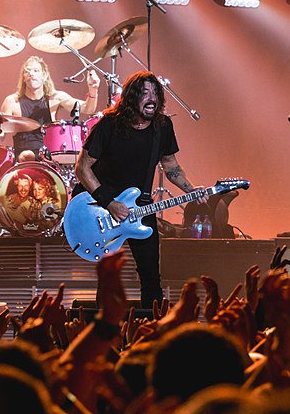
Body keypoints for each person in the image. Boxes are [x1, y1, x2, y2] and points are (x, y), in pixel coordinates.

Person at [74, 71, 207, 308]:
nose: (151, 98)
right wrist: (109, 203)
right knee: (108, 278)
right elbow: (83, 168)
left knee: (150, 276)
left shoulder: (162, 127)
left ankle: (152, 332)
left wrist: (191, 189)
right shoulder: (109, 125)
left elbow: (170, 165)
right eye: (144, 93)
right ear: (131, 98)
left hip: (141, 208)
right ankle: (106, 334)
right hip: (105, 207)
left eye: (155, 93)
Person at [0, 56, 100, 163]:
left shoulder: (55, 98)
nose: (31, 74)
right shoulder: (12, 101)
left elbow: (88, 109)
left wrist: (93, 90)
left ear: (45, 76)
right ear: (23, 78)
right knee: (26, 155)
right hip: (23, 158)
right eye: (27, 71)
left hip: (49, 157)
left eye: (36, 70)